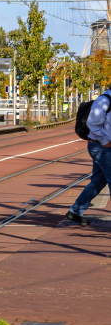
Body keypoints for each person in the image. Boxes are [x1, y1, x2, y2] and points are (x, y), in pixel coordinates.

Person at [66, 88, 111, 225]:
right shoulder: (104, 101)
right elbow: (91, 123)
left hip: (104, 147)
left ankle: (75, 211)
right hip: (100, 147)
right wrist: (105, 141)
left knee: (98, 181)